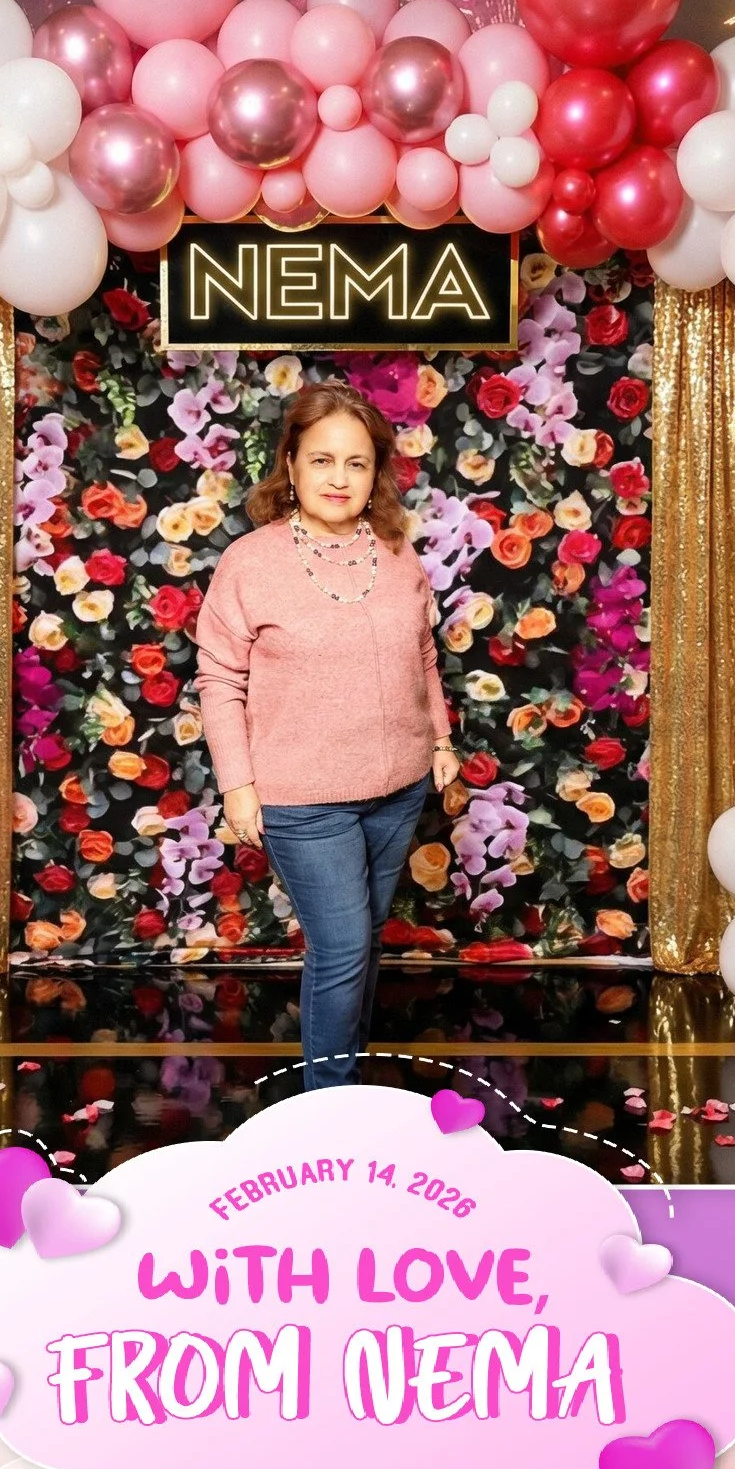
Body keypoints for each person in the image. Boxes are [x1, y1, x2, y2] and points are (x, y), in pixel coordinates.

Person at [194, 379, 462, 1090]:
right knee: (341, 948)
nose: (338, 478)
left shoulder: (398, 553)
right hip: (303, 798)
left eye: (355, 463)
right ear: (291, 464)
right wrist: (238, 788)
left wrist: (440, 743)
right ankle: (327, 1110)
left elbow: (424, 657)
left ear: (375, 474)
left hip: (399, 788)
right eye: (321, 460)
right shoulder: (251, 561)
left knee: (363, 944)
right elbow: (219, 679)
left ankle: (344, 1088)